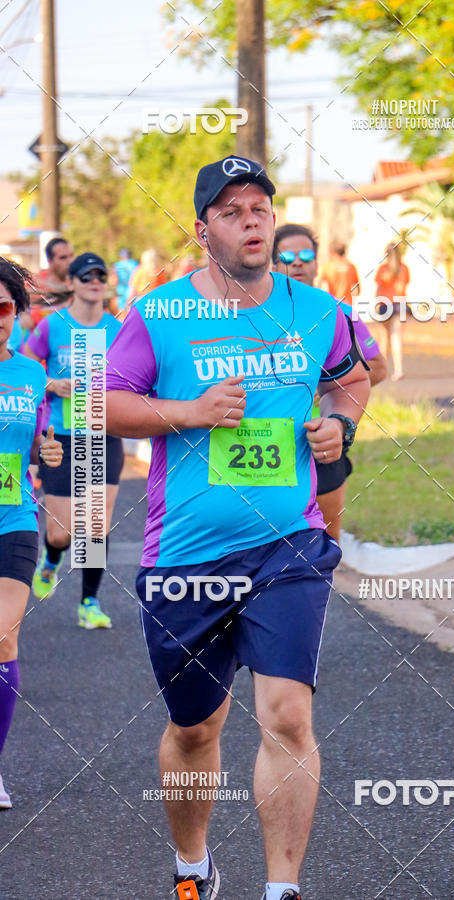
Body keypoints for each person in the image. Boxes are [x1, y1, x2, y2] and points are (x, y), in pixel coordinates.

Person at [105, 155, 370, 900]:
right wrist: (185, 413)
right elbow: (103, 403)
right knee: (196, 728)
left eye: (259, 207)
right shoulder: (159, 316)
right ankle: (193, 867)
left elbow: (352, 379)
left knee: (286, 715)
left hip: (287, 542)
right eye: (231, 210)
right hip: (186, 552)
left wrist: (337, 426)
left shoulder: (318, 311)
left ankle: (281, 887)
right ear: (203, 231)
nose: (250, 219)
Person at [25, 253, 124, 627]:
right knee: (61, 531)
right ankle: (51, 559)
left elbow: (134, 375)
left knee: (95, 525)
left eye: (100, 275)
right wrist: (52, 383)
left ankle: (89, 603)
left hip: (104, 434)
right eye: (86, 276)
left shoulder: (118, 329)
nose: (94, 281)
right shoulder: (52, 327)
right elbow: (26, 368)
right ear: (73, 283)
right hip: (60, 438)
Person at [273, 222, 386, 542]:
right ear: (271, 263)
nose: (297, 262)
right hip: (264, 448)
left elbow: (377, 367)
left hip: (319, 445)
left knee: (324, 540)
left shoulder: (339, 314)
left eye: (306, 255)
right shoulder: (253, 316)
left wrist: (328, 396)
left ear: (316, 264)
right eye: (287, 255)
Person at [0, 257, 63, 809]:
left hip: (15, 517)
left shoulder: (28, 373)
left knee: (3, 636)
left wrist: (49, 449)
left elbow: (42, 438)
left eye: (4, 307)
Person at [374, 241, 410, 381]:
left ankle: (382, 371)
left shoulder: (383, 269)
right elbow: (403, 286)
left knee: (384, 338)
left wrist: (376, 303)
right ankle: (398, 370)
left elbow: (378, 288)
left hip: (385, 304)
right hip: (400, 304)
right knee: (397, 337)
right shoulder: (404, 269)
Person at [28, 237, 75, 328]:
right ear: (50, 261)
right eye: (63, 258)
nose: (70, 261)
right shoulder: (32, 284)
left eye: (71, 256)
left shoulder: (80, 285)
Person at [318, 241, 360, 305]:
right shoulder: (351, 266)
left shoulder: (327, 267)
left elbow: (319, 286)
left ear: (332, 252)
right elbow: (358, 288)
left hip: (333, 303)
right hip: (347, 304)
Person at [111, 248, 138, 316]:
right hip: (133, 289)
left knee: (121, 311)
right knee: (132, 311)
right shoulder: (135, 264)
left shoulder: (117, 265)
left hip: (121, 289)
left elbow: (114, 280)